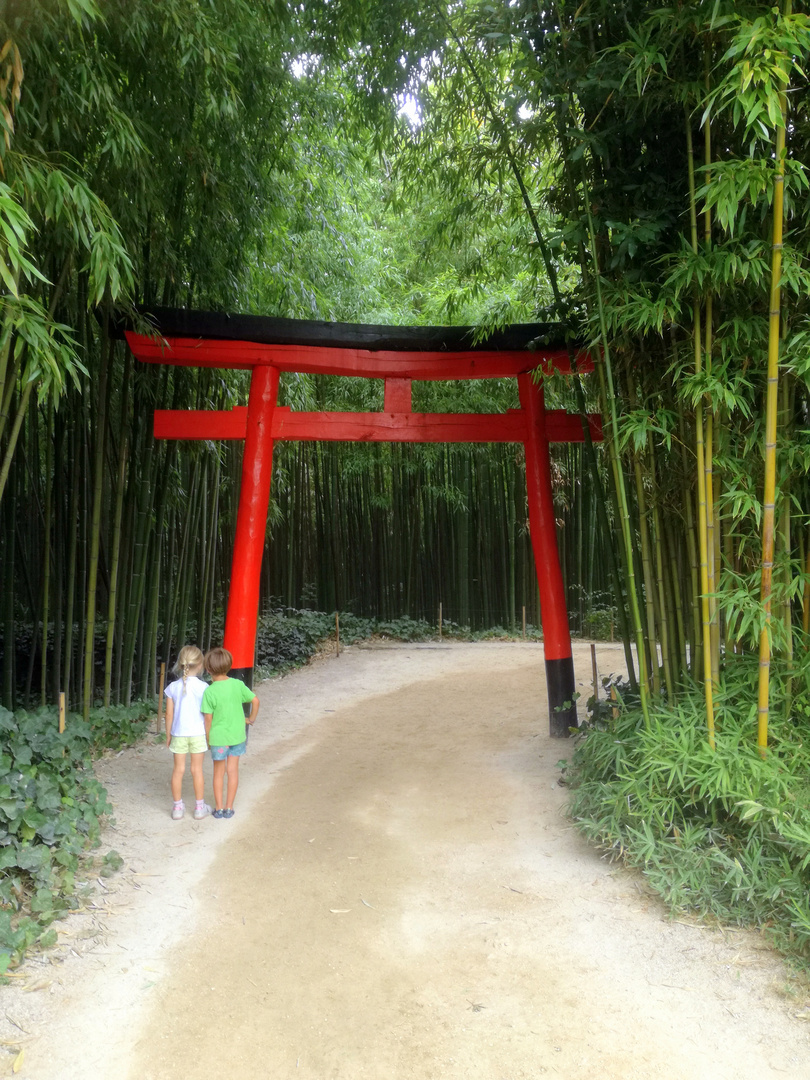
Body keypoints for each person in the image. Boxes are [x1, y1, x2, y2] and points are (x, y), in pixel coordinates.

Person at [201, 647, 259, 819]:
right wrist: (251, 719)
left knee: (219, 772)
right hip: (237, 736)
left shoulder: (209, 691)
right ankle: (229, 808)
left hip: (219, 738)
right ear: (229, 665)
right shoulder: (238, 684)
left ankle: (218, 809)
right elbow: (255, 700)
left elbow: (208, 720)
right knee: (233, 771)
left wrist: (208, 738)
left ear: (208, 669)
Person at [165, 645, 211, 821]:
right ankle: (199, 808)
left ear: (180, 664)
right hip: (198, 733)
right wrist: (208, 735)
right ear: (200, 665)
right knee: (197, 770)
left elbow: (169, 715)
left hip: (179, 734)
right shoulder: (204, 687)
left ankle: (177, 808)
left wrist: (169, 734)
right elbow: (207, 715)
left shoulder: (172, 687)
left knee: (178, 770)